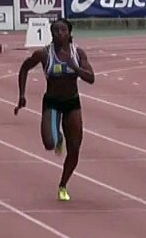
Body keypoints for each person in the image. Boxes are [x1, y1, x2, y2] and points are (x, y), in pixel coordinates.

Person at [15, 18, 95, 202]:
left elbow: (91, 78)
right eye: (56, 30)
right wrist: (22, 95)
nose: (60, 33)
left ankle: (63, 185)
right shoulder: (44, 54)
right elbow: (24, 68)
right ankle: (58, 138)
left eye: (63, 30)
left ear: (69, 33)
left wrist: (75, 67)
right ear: (51, 33)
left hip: (72, 103)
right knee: (49, 143)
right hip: (52, 102)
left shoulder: (78, 53)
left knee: (74, 149)